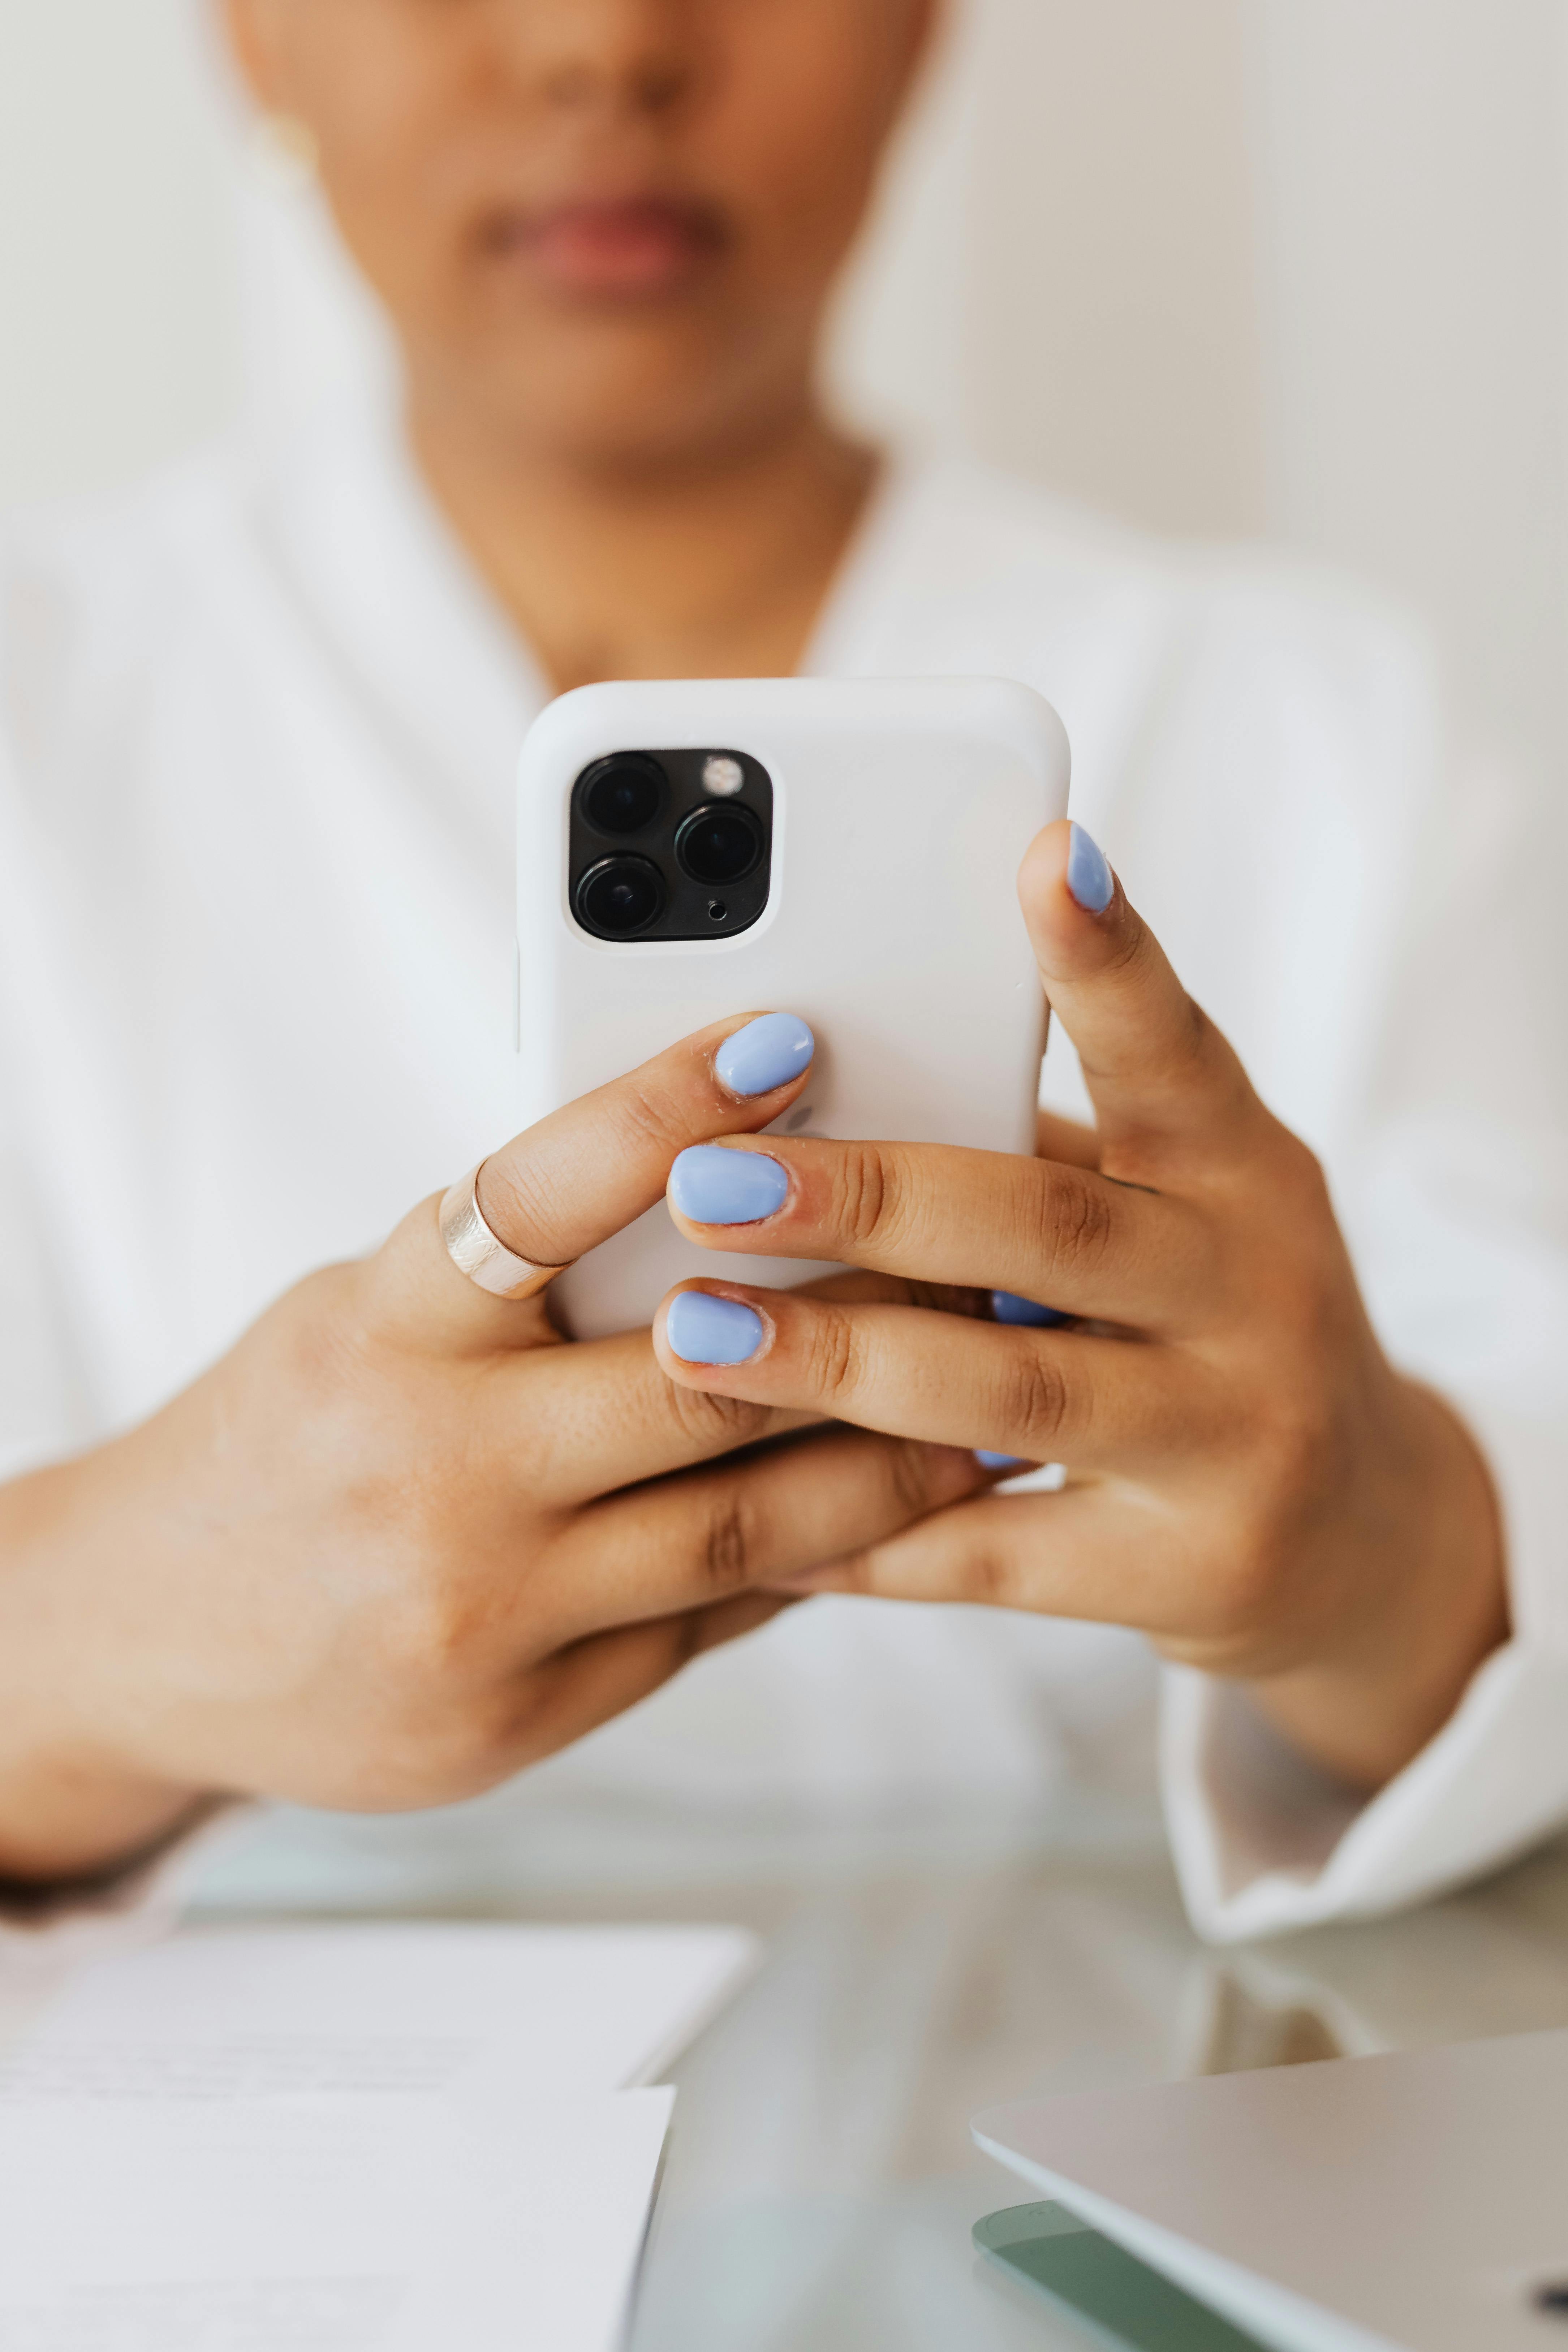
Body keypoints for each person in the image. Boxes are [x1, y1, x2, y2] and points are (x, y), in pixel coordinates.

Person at [0, 0, 1562, 1946]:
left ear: (921, 30)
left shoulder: (1317, 734)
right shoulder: (36, 711)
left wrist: (1376, 1545)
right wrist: (95, 1617)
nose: (606, 44)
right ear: (252, 37)